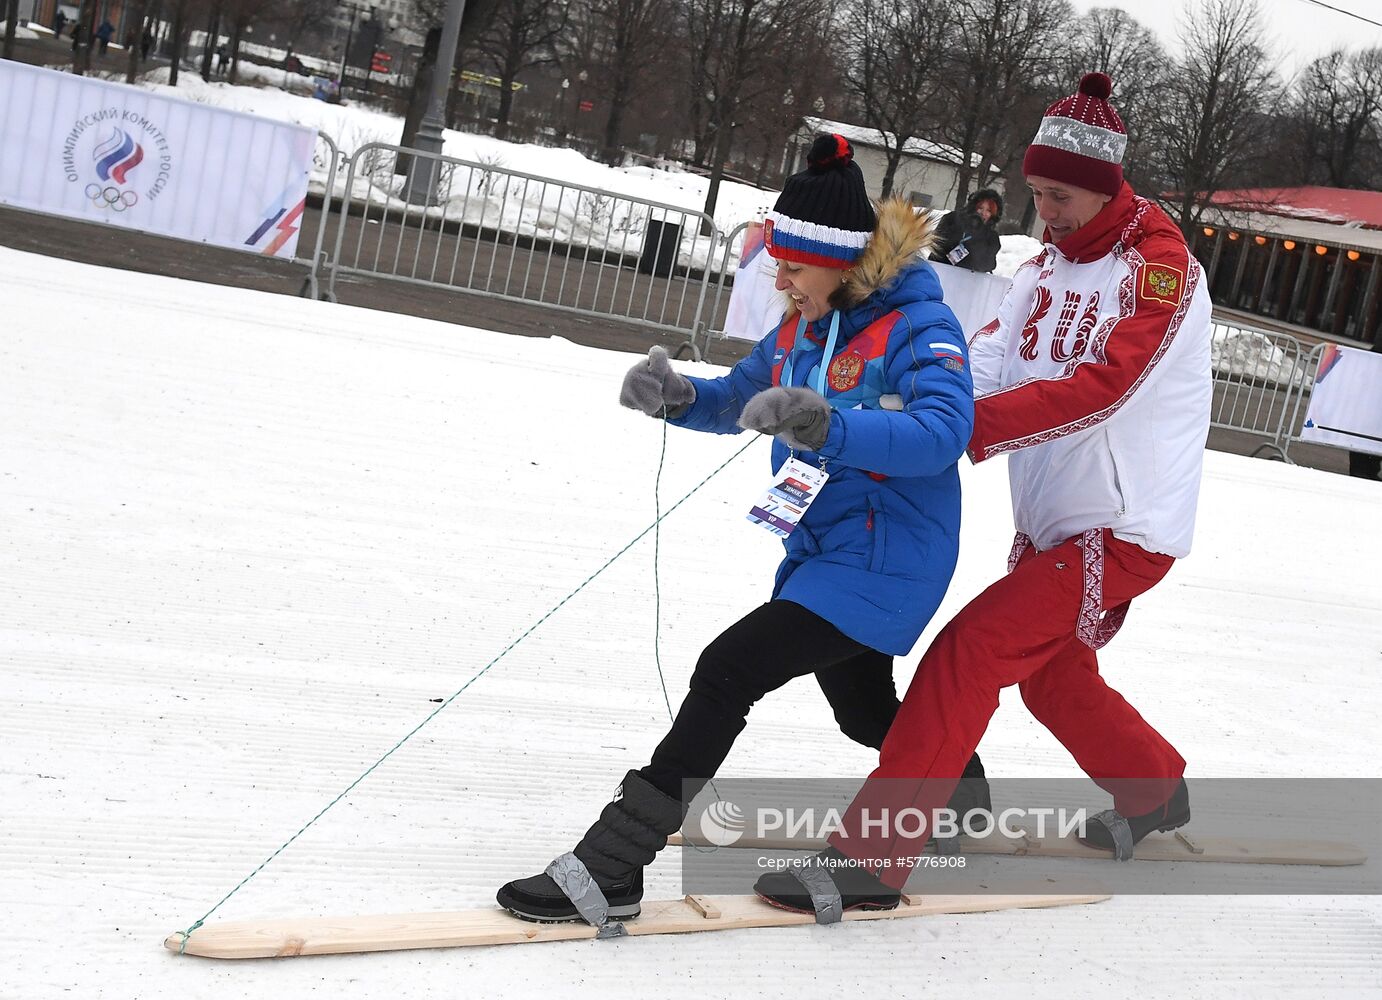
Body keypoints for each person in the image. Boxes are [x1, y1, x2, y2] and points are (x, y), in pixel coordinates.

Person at [755, 72, 1213, 916]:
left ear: (1109, 186)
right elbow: (986, 362)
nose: (1047, 212)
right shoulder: (1042, 270)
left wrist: (951, 434)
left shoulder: (1159, 270)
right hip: (1051, 517)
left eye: (1062, 196)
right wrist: (910, 409)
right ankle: (1154, 793)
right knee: (1050, 675)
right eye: (1036, 193)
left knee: (968, 654)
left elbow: (1105, 385)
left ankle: (873, 859)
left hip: (1124, 523)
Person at [495, 133, 984, 925]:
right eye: (776, 261)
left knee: (728, 668)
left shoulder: (918, 329)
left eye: (791, 262)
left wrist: (829, 428)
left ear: (842, 260)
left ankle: (612, 867)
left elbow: (942, 433)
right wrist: (678, 397)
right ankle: (958, 782)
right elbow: (741, 397)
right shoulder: (800, 329)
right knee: (862, 713)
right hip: (823, 552)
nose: (778, 276)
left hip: (891, 559)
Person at [929, 188, 1004, 274]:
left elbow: (988, 264)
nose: (983, 213)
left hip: (966, 281)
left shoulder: (991, 237)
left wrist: (976, 238)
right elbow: (936, 244)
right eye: (980, 208)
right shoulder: (952, 219)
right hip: (937, 272)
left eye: (989, 210)